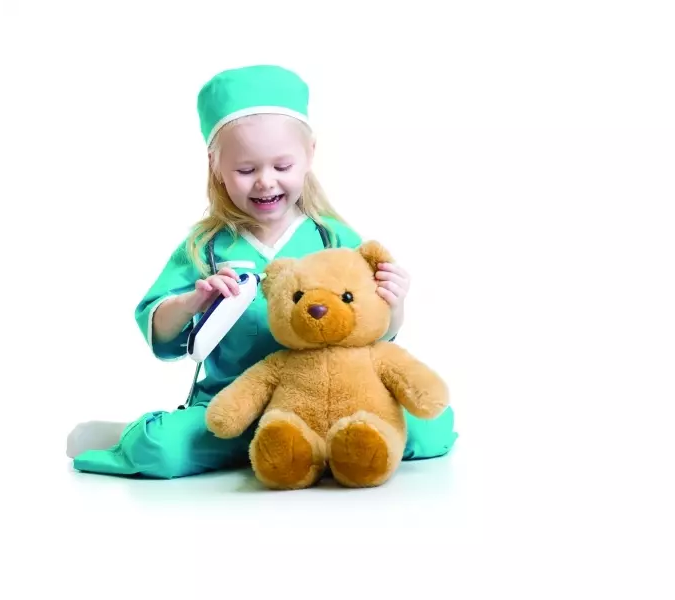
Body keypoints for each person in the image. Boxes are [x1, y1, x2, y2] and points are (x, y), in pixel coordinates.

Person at [67, 64, 458, 478]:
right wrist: (191, 303)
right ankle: (142, 436)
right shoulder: (206, 247)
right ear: (215, 164)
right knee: (161, 449)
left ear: (309, 154)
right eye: (246, 170)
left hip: (331, 401)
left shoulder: (334, 238)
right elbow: (160, 335)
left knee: (432, 429)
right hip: (237, 406)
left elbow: (373, 330)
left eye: (282, 167)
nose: (265, 182)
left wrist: (395, 305)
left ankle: (307, 446)